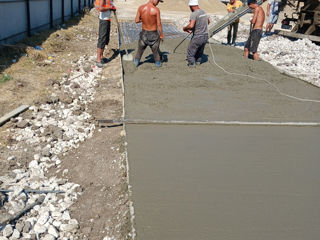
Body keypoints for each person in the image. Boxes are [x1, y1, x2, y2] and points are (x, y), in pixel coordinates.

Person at [134, 0, 164, 68]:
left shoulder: (141, 8)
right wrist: (161, 35)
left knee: (139, 51)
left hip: (144, 34)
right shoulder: (156, 10)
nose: (158, 3)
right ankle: (158, 65)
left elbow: (136, 20)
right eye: (158, 1)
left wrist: (143, 19)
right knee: (156, 52)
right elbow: (159, 24)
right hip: (153, 34)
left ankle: (135, 64)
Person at [183, 0, 210, 67]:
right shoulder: (203, 12)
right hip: (205, 35)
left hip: (198, 36)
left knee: (191, 50)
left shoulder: (194, 14)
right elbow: (208, 22)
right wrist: (199, 27)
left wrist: (185, 28)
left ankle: (192, 64)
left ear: (191, 6)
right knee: (200, 50)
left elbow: (191, 25)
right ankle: (198, 61)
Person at [96, 0, 116, 68]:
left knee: (105, 40)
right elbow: (101, 9)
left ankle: (101, 57)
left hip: (107, 19)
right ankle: (98, 60)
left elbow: (109, 5)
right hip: (103, 20)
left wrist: (112, 8)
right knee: (102, 39)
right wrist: (110, 7)